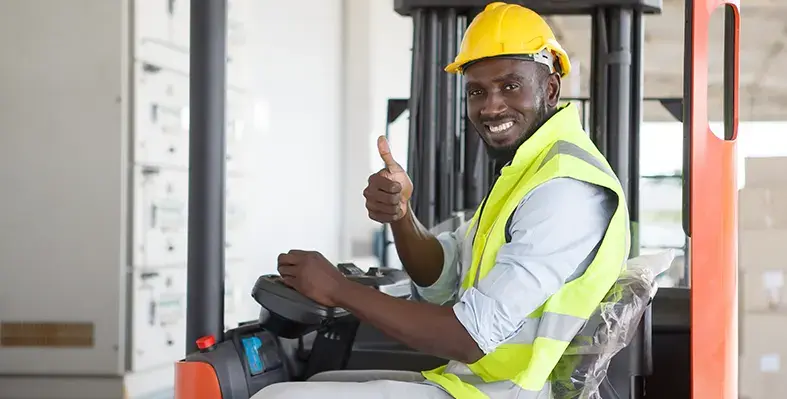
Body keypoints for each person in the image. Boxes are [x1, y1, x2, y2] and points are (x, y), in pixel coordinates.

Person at [255, 2, 630, 398]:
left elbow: (469, 335)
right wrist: (402, 214)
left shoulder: (564, 189)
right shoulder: (527, 174)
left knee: (274, 397)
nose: (491, 106)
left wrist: (337, 290)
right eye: (477, 92)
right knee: (315, 384)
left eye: (511, 86)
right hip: (474, 382)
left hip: (508, 393)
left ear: (550, 88)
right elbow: (443, 278)